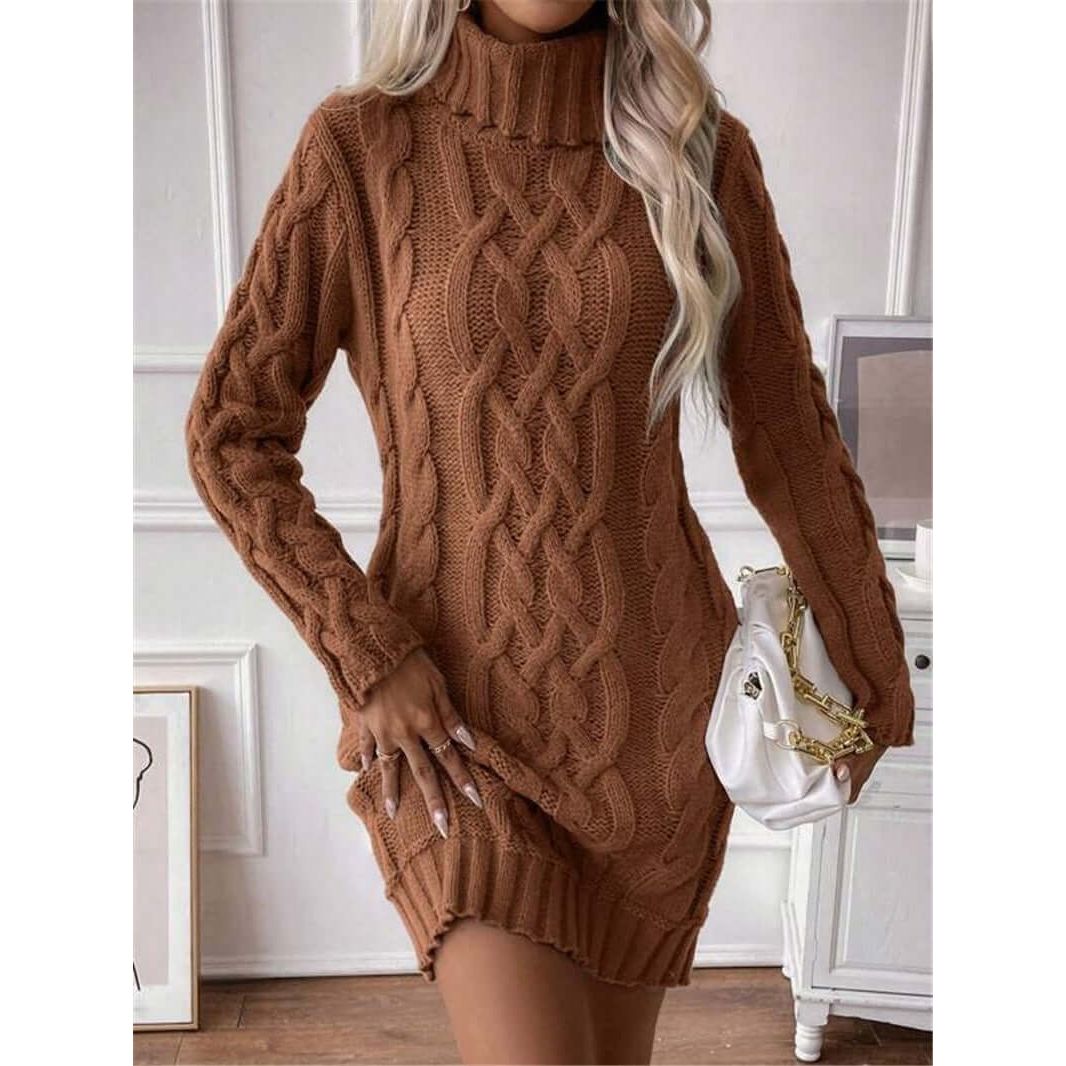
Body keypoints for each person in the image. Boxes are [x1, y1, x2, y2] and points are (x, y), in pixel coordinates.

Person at [184, 1, 916, 1061]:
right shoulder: (361, 146)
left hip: (651, 727)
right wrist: (369, 655)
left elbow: (788, 433)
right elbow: (232, 433)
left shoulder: (695, 151)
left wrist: (874, 671)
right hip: (453, 734)